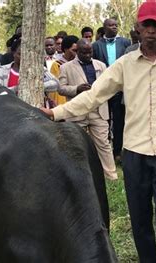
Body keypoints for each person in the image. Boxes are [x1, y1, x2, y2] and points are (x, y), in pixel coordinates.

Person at [41, 1, 156, 261]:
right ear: (137, 28)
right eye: (145, 25)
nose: (150, 30)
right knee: (139, 213)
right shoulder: (125, 64)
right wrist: (56, 113)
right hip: (134, 151)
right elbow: (94, 95)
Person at [57, 39, 117, 180]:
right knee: (77, 145)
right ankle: (79, 176)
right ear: (77, 51)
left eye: (90, 52)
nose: (88, 55)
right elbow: (61, 88)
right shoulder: (66, 67)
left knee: (104, 144)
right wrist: (76, 89)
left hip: (99, 110)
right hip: (77, 112)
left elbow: (108, 85)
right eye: (84, 52)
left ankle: (111, 175)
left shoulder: (101, 65)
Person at [92, 18, 132, 162]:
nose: (114, 27)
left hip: (120, 88)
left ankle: (117, 152)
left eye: (116, 25)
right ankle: (104, 153)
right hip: (103, 88)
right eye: (111, 25)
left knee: (120, 121)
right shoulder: (96, 45)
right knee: (104, 120)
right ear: (104, 28)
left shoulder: (125, 43)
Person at [0, 39, 59, 104]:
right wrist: (16, 88)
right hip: (10, 111)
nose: (24, 57)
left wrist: (36, 86)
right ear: (13, 53)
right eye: (20, 54)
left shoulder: (38, 69)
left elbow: (56, 83)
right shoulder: (3, 70)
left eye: (27, 54)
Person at [49, 35, 79, 106]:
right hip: (62, 103)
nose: (76, 53)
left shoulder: (79, 64)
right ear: (65, 49)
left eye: (78, 51)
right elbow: (55, 88)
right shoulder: (57, 65)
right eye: (74, 50)